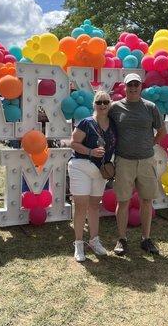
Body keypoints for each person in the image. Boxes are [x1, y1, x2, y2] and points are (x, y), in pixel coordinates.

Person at [108, 73, 166, 256]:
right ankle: (122, 239)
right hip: (124, 161)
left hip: (146, 160)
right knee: (123, 201)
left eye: (136, 84)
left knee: (146, 200)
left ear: (141, 86)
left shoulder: (150, 107)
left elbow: (162, 131)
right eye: (129, 84)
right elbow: (104, 127)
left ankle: (146, 239)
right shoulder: (115, 108)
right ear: (124, 87)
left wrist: (151, 144)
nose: (133, 87)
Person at [68, 90, 116, 262]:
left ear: (110, 104)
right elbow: (73, 143)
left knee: (95, 206)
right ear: (94, 105)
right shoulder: (86, 123)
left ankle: (94, 241)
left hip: (100, 171)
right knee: (81, 206)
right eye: (99, 102)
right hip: (81, 166)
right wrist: (90, 151)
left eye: (105, 102)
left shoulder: (114, 124)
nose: (102, 105)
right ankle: (78, 243)